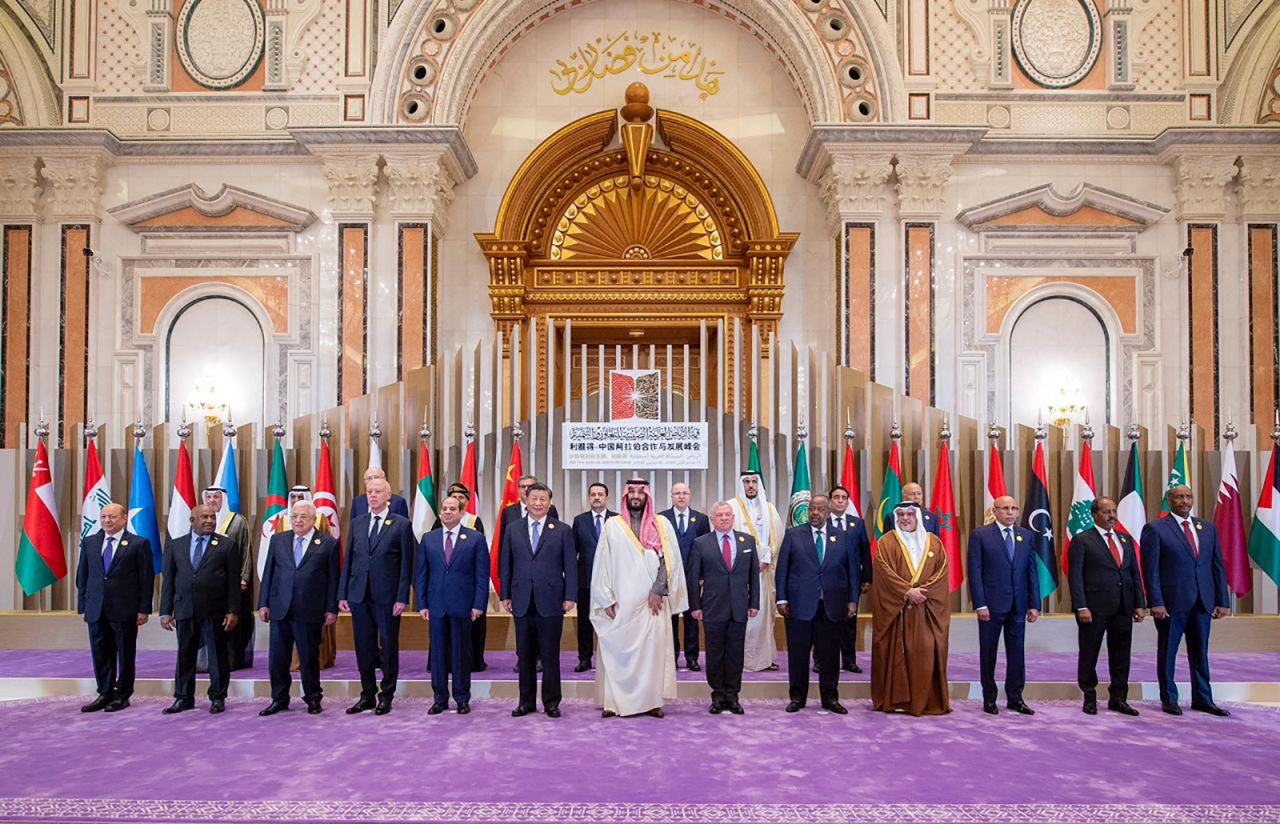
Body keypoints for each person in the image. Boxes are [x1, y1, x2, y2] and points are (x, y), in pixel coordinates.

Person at [591, 478, 688, 718]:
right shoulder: (613, 525)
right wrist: (606, 599)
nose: (636, 496)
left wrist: (657, 590)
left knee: (651, 654)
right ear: (625, 496)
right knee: (617, 652)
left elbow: (669, 560)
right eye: (631, 492)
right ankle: (613, 703)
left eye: (640, 492)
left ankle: (651, 702)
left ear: (647, 496)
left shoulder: (661, 523)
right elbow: (602, 564)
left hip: (651, 604)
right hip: (621, 603)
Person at [1140, 484, 1231, 717]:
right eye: (1179, 497)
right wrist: (1156, 602)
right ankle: (1169, 699)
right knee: (1168, 652)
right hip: (1171, 604)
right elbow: (1151, 571)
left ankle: (1203, 699)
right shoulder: (1155, 529)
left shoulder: (1207, 528)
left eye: (1188, 496)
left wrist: (1222, 600)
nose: (1185, 501)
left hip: (1203, 602)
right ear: (1169, 501)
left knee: (1200, 653)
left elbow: (1217, 566)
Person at [776, 495, 859, 715]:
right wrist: (781, 598)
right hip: (799, 606)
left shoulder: (842, 537)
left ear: (828, 512)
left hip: (832, 606)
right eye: (812, 508)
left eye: (820, 509)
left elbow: (852, 571)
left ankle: (830, 698)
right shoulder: (793, 535)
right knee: (798, 654)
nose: (815, 513)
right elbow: (782, 569)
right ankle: (797, 697)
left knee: (830, 655)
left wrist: (853, 600)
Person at [339, 478, 416, 715]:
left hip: (388, 597)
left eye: (378, 491)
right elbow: (349, 560)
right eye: (369, 491)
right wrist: (343, 594)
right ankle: (367, 695)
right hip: (358, 595)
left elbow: (406, 565)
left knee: (389, 646)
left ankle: (386, 695)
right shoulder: (358, 523)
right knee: (363, 647)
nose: (373, 495)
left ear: (388, 496)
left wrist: (402, 597)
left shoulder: (401, 525)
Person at [499, 482, 575, 717]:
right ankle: (526, 702)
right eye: (534, 499)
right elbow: (506, 564)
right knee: (525, 655)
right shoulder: (513, 528)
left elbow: (570, 566)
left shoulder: (562, 529)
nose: (538, 503)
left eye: (543, 499)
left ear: (549, 503)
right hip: (521, 599)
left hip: (551, 600)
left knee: (551, 654)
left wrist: (570, 596)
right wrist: (505, 594)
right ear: (526, 500)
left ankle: (552, 702)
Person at [258, 501, 339, 716]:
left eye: (303, 516)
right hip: (280, 608)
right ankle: (279, 698)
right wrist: (263, 603)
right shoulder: (278, 540)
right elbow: (268, 574)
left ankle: (313, 698)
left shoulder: (328, 543)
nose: (298, 520)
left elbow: (333, 579)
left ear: (314, 519)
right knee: (278, 658)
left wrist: (331, 608)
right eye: (294, 516)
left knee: (308, 657)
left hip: (309, 610)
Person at [159, 504, 241, 715]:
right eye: (204, 517)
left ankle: (218, 697)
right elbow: (168, 580)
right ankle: (183, 697)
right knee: (185, 655)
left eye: (212, 517)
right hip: (184, 608)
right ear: (192, 521)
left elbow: (233, 582)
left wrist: (233, 610)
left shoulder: (226, 545)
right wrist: (165, 611)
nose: (209, 521)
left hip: (215, 610)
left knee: (217, 656)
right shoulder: (176, 545)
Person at [1068, 496, 1145, 716]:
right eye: (1106, 512)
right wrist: (1081, 606)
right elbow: (1076, 577)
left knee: (1121, 654)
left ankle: (1118, 698)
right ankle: (1089, 697)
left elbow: (1134, 574)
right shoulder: (1082, 540)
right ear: (1094, 515)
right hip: (1093, 609)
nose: (1112, 516)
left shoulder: (1125, 539)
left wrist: (1139, 603)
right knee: (1089, 653)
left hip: (1123, 607)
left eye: (1114, 511)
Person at [871, 502, 950, 716]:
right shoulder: (886, 542)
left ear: (918, 517)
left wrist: (922, 593)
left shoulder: (934, 542)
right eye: (901, 515)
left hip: (926, 611)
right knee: (896, 655)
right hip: (897, 612)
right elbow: (883, 573)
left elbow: (942, 572)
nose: (905, 518)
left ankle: (927, 701)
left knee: (926, 652)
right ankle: (897, 700)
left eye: (910, 514)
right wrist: (907, 591)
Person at [966, 494, 1041, 715]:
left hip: (1018, 606)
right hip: (990, 606)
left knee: (1017, 654)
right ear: (995, 511)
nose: (1010, 512)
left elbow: (1031, 571)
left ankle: (1015, 698)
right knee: (988, 653)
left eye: (1014, 508)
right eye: (1005, 508)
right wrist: (980, 604)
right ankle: (989, 698)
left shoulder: (1026, 536)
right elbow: (975, 571)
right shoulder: (981, 535)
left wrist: (1034, 604)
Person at [76, 502, 153, 713]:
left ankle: (123, 694)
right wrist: (83, 604)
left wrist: (143, 609)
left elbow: (146, 580)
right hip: (96, 608)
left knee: (125, 653)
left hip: (125, 609)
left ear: (124, 518)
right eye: (103, 517)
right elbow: (82, 575)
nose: (107, 521)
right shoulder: (90, 542)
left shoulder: (138, 543)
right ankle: (105, 692)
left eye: (112, 517)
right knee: (100, 651)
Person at [417, 495, 488, 714]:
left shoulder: (475, 538)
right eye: (444, 509)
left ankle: (461, 697)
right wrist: (422, 604)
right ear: (440, 512)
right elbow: (421, 574)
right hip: (436, 605)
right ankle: (439, 698)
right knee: (437, 654)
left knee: (461, 653)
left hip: (463, 606)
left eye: (452, 509)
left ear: (460, 513)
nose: (448, 512)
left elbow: (481, 576)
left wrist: (478, 605)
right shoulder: (429, 539)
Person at [688, 501, 759, 714]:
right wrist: (695, 606)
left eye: (728, 514)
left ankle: (733, 695)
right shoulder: (701, 543)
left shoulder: (747, 541)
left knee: (735, 654)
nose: (724, 518)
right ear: (712, 519)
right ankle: (718, 696)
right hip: (712, 608)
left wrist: (754, 602)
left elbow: (753, 576)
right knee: (715, 653)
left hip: (739, 608)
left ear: (733, 517)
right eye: (720, 515)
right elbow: (693, 578)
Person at [276, 485, 338, 669]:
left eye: (299, 496)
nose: (295, 500)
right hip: (286, 597)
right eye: (292, 497)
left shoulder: (320, 521)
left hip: (313, 596)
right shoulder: (283, 523)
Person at [431, 484, 489, 671]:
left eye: (461, 497)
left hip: (466, 587)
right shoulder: (438, 526)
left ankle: (472, 662)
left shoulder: (474, 522)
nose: (456, 501)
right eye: (452, 497)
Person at [729, 470, 783, 671]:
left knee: (762, 616)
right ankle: (740, 659)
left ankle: (763, 659)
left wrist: (766, 560)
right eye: (747, 482)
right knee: (741, 615)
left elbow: (777, 537)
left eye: (754, 482)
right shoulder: (731, 507)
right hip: (739, 573)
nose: (750, 485)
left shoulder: (769, 509)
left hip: (763, 572)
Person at [203, 486, 254, 670]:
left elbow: (245, 551)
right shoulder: (200, 522)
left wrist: (244, 578)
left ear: (223, 498)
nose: (212, 501)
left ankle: (231, 660)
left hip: (231, 583)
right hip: (208, 586)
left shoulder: (237, 521)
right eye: (208, 497)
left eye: (216, 497)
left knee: (229, 623)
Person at [660, 482, 710, 671]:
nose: (681, 496)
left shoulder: (701, 519)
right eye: (677, 493)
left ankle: (692, 658)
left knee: (692, 619)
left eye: (684, 493)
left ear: (690, 496)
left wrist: (704, 574)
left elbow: (708, 548)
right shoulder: (662, 518)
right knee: (670, 620)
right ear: (672, 496)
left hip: (693, 578)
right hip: (670, 578)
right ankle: (671, 658)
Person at [571, 482, 616, 672]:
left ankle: (612, 659)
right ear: (588, 498)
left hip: (612, 582)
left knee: (612, 621)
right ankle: (585, 658)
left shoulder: (617, 520)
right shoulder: (579, 520)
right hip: (585, 581)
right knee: (584, 622)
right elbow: (572, 552)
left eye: (600, 494)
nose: (596, 497)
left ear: (607, 498)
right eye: (593, 494)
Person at [827, 484, 871, 673]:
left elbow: (865, 552)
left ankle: (849, 660)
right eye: (836, 497)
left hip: (851, 581)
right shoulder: (823, 521)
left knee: (849, 622)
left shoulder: (857, 523)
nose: (840, 500)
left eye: (843, 497)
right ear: (830, 501)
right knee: (825, 622)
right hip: (827, 581)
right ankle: (822, 660)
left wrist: (867, 577)